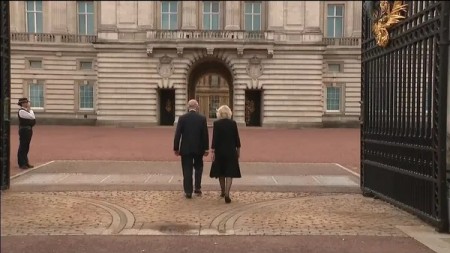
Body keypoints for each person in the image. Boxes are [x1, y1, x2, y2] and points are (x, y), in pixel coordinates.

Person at [173, 99, 209, 199]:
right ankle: (197, 188)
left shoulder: (182, 118)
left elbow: (178, 134)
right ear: (197, 107)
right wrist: (206, 148)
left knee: (187, 169)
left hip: (185, 148)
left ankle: (188, 191)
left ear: (188, 107)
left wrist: (176, 147)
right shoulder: (202, 118)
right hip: (198, 148)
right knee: (198, 169)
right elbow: (205, 135)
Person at [210, 105, 241, 204]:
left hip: (220, 151)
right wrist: (238, 151)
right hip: (231, 151)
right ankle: (227, 193)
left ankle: (222, 191)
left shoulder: (217, 123)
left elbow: (215, 139)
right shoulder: (233, 123)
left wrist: (213, 151)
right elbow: (237, 138)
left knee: (221, 172)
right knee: (229, 173)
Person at [17, 97, 36, 170]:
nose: (27, 103)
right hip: (24, 130)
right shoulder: (21, 111)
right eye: (25, 102)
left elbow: (33, 119)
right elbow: (32, 117)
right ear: (22, 103)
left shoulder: (27, 111)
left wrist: (30, 110)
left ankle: (26, 162)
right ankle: (22, 163)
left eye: (27, 102)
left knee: (26, 146)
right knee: (23, 146)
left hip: (28, 130)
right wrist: (30, 110)